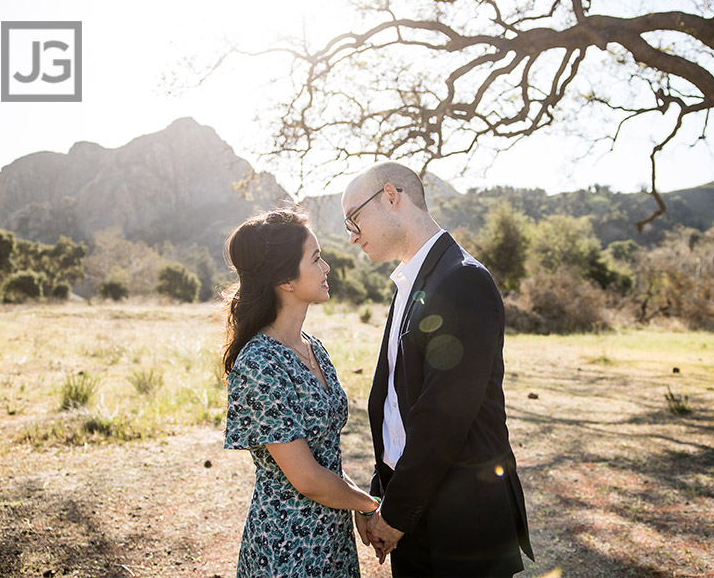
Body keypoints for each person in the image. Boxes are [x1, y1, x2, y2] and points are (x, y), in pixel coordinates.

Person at [342, 162, 534, 577]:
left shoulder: (461, 280)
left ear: (391, 197)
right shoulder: (410, 282)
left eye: (354, 219)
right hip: (415, 511)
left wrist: (394, 514)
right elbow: (398, 405)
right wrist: (382, 495)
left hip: (462, 522)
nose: (352, 235)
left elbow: (444, 417)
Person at [221, 209, 380, 577]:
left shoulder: (313, 348)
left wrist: (355, 503)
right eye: (316, 259)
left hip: (330, 538)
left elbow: (325, 458)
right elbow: (307, 478)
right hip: (287, 547)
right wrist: (368, 506)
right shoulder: (260, 364)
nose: (326, 268)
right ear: (285, 280)